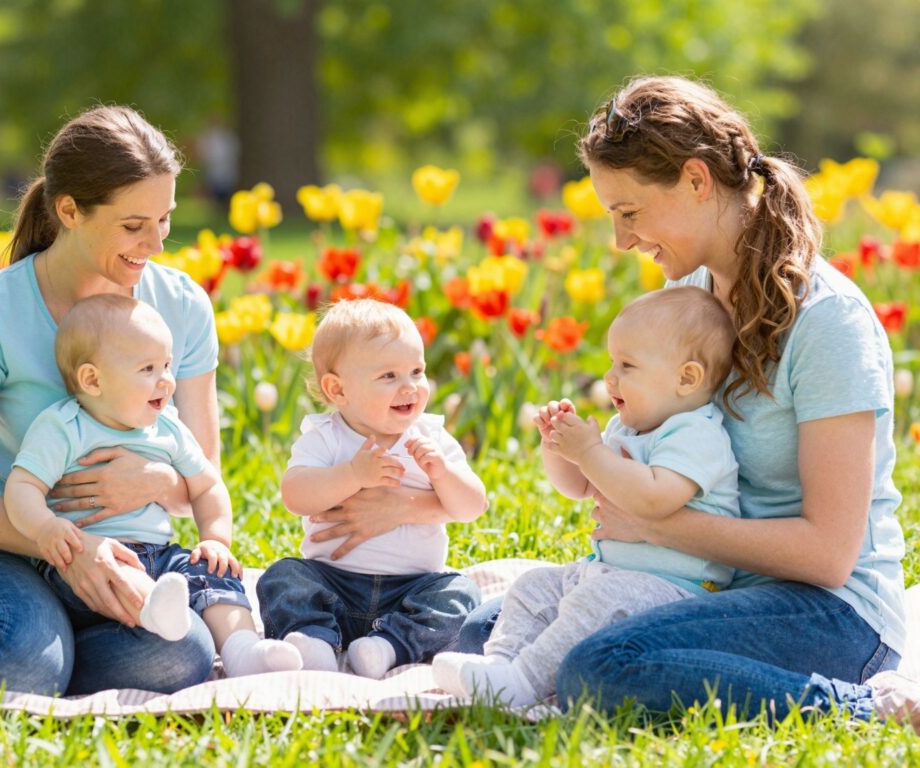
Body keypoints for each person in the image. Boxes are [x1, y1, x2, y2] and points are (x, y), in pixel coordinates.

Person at [472, 74, 907, 721]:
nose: (622, 241)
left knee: (600, 668)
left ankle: (867, 708)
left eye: (630, 213)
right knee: (484, 629)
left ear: (697, 181)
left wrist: (655, 522)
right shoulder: (693, 303)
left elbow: (827, 554)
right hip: (708, 585)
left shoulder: (827, 321)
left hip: (830, 611)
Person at [0, 106, 224, 695]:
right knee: (23, 663)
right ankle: (35, 653)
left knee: (182, 656)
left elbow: (199, 480)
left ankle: (48, 655)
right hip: (6, 551)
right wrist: (69, 550)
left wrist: (151, 482)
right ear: (69, 210)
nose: (154, 243)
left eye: (165, 219)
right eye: (132, 226)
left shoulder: (182, 305)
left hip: (131, 553)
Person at [433, 287, 739, 706]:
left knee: (595, 602)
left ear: (687, 378)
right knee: (532, 587)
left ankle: (521, 683)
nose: (610, 377)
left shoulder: (696, 433)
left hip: (678, 591)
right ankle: (498, 664)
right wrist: (558, 447)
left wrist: (591, 452)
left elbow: (654, 500)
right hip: (608, 575)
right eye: (612, 363)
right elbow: (578, 487)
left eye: (627, 366)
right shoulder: (625, 427)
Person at [4, 294, 301, 676]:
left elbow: (207, 486)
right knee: (124, 576)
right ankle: (154, 611)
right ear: (93, 380)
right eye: (148, 368)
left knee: (212, 571)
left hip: (160, 555)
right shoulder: (64, 427)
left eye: (167, 364)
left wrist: (215, 538)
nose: (167, 380)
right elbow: (22, 487)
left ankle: (244, 651)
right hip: (89, 559)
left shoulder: (168, 428)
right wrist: (46, 528)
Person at [255, 299, 487, 679]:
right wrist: (351, 475)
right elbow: (295, 495)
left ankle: (388, 648)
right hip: (333, 585)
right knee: (284, 577)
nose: (410, 387)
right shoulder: (326, 438)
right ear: (338, 390)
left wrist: (443, 473)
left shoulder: (430, 437)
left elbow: (473, 506)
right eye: (389, 376)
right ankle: (314, 640)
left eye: (417, 370)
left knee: (459, 593)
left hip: (411, 591)